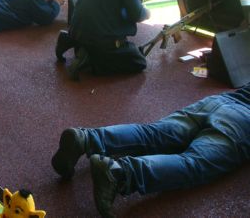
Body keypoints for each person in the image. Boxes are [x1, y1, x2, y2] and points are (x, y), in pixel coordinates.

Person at [51, 83, 250, 218]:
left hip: (220, 101)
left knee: (154, 133)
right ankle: (120, 172)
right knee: (196, 162)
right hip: (242, 120)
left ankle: (86, 138)